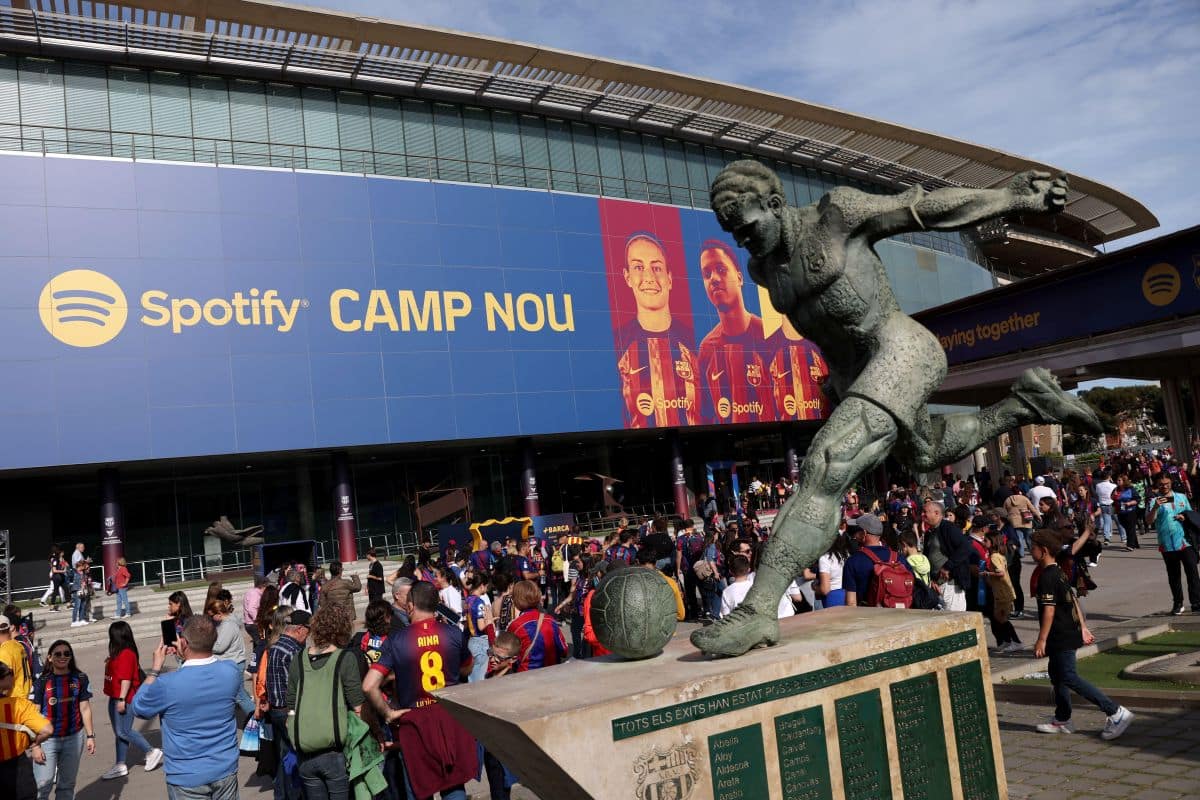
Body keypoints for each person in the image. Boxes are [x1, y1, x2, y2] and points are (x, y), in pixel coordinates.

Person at [693, 160, 1100, 656]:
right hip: (856, 379)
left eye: (748, 227)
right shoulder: (764, 268)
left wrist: (1009, 197)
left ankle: (758, 610)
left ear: (775, 205)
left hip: (901, 351)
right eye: (733, 234)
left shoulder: (836, 217)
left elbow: (921, 208)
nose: (744, 242)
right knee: (924, 455)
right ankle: (1023, 404)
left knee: (826, 465)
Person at [362, 581, 474, 800]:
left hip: (415, 722)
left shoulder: (397, 639)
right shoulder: (452, 633)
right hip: (448, 717)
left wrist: (388, 713)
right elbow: (467, 667)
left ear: (410, 606)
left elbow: (368, 685)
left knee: (419, 786)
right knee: (453, 784)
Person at [1030, 530, 1133, 739]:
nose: (1029, 550)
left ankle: (1115, 712)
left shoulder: (1048, 577)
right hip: (1066, 633)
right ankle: (1063, 719)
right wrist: (1083, 626)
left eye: (1032, 547)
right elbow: (1073, 600)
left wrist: (1041, 639)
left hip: (1061, 635)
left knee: (1068, 676)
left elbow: (1049, 610)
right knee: (1057, 675)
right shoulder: (1058, 571)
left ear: (1043, 550)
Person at [132, 614, 242, 799]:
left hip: (186, 775)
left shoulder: (167, 684)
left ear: (183, 641)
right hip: (225, 768)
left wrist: (155, 669)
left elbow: (139, 707)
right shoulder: (231, 671)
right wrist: (186, 657)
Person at [613, 231, 700, 429]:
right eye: (638, 267)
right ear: (627, 277)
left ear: (669, 278)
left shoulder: (695, 343)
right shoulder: (617, 344)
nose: (649, 277)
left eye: (657, 267)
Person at [286, 604, 363, 800]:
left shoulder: (298, 660)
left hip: (305, 752)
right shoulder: (345, 659)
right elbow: (357, 706)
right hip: (334, 751)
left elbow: (292, 703)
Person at [695, 240, 776, 424]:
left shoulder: (768, 335)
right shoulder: (707, 348)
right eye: (707, 274)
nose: (714, 279)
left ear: (739, 278)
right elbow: (706, 415)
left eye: (721, 270)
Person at [31, 640, 96, 800]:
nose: (63, 656)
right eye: (58, 654)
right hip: (47, 741)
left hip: (74, 739)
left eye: (67, 653)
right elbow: (34, 714)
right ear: (50, 658)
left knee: (67, 786)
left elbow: (85, 708)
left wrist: (90, 736)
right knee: (42, 788)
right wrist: (35, 745)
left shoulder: (80, 678)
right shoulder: (42, 682)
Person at [101, 620, 161, 779]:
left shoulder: (127, 653)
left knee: (124, 731)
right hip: (114, 697)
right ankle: (120, 764)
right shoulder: (119, 652)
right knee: (119, 733)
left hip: (123, 698)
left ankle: (151, 751)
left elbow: (126, 678)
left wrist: (121, 699)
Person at [263, 609, 310, 800]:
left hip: (276, 711)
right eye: (308, 631)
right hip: (290, 712)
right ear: (299, 629)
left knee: (285, 757)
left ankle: (281, 794)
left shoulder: (275, 646)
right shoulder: (294, 651)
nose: (309, 636)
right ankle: (293, 794)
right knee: (296, 759)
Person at [1146, 473, 1199, 614]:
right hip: (1167, 544)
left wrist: (1184, 517)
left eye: (1167, 483)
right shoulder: (1154, 501)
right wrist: (1155, 508)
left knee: (1192, 572)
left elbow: (1191, 514)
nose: (1164, 486)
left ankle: (1196, 602)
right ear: (1157, 484)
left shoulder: (1181, 497)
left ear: (1171, 482)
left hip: (1185, 541)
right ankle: (1178, 603)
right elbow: (1149, 521)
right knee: (1174, 575)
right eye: (1161, 484)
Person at [0, 661, 52, 790]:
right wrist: (34, 744)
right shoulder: (18, 704)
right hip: (17, 766)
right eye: (10, 672)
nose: (13, 676)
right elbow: (47, 730)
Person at [842, 514, 912, 607]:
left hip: (868, 617)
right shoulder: (899, 558)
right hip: (898, 616)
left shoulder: (853, 561)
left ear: (864, 533)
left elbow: (851, 602)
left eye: (856, 532)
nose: (854, 535)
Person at [207, 589, 255, 716]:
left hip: (233, 663)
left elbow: (219, 647)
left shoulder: (228, 625)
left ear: (219, 614)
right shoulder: (224, 623)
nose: (211, 619)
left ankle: (256, 718)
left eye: (212, 616)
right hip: (231, 663)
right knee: (238, 693)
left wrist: (205, 645)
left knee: (240, 696)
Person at [507, 580, 567, 672]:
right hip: (552, 675)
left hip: (526, 676)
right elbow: (564, 650)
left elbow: (507, 657)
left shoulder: (515, 626)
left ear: (517, 599)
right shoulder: (550, 620)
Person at [463, 573, 493, 684]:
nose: (487, 589)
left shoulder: (468, 600)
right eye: (486, 586)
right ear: (481, 586)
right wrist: (490, 619)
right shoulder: (479, 602)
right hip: (480, 641)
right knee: (479, 679)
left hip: (471, 640)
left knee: (472, 678)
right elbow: (481, 626)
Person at [816, 531, 852, 608]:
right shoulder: (846, 555)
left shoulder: (825, 558)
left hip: (832, 598)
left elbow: (825, 589)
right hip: (847, 595)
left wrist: (814, 587)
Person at [0, 616, 32, 702]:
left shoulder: (4, 652)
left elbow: (6, 683)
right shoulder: (17, 645)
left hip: (13, 701)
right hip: (23, 696)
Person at [243, 576, 268, 666]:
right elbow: (251, 608)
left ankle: (255, 663)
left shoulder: (252, 592)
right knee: (261, 645)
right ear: (263, 585)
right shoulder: (255, 594)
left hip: (250, 623)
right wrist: (258, 620)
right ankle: (257, 665)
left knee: (257, 645)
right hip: (253, 624)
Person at [68, 561, 92, 629]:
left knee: (83, 605)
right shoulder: (74, 572)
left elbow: (87, 572)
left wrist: (87, 565)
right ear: (80, 566)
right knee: (77, 606)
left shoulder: (83, 572)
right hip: (77, 590)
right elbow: (68, 575)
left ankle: (81, 619)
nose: (85, 567)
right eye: (83, 566)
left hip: (83, 590)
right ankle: (74, 621)